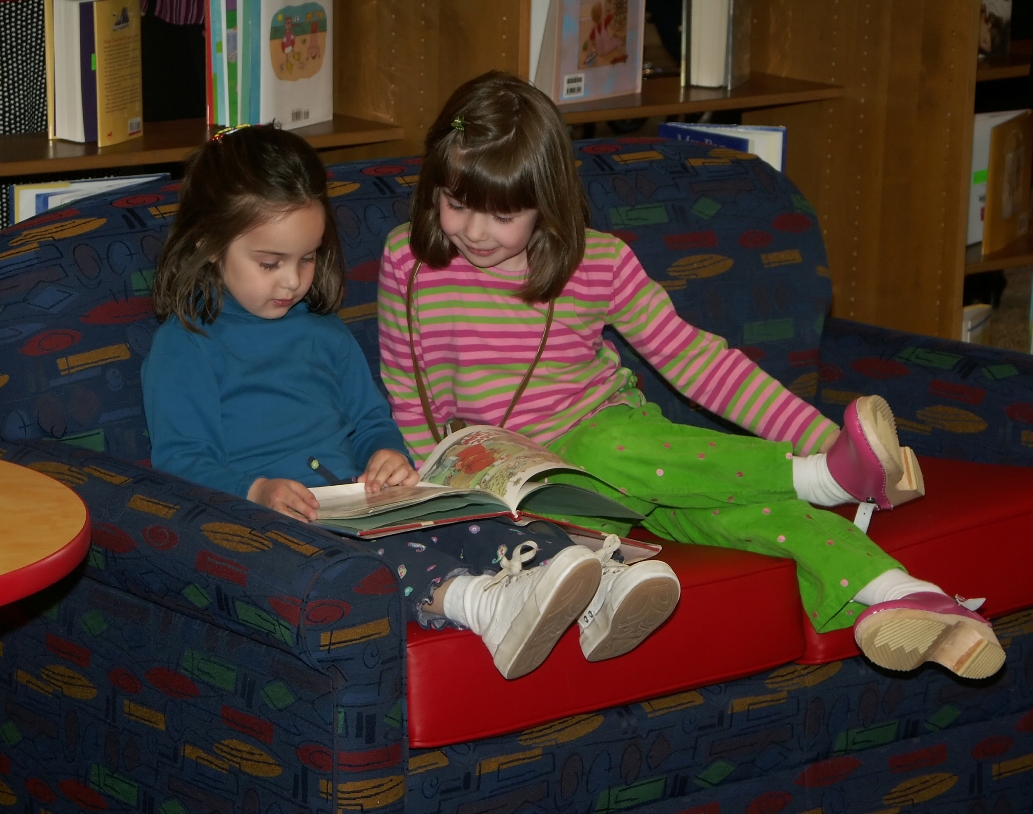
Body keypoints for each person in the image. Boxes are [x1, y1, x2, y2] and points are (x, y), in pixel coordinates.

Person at [377, 70, 1007, 681]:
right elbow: (407, 387)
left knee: (664, 472)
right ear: (434, 188)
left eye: (503, 215)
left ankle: (882, 557)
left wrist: (820, 436)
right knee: (718, 504)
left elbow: (699, 362)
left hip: (614, 442)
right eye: (456, 204)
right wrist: (437, 484)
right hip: (529, 490)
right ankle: (863, 536)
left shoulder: (598, 263)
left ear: (548, 202)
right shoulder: (407, 261)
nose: (474, 232)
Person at [141, 122, 679, 682]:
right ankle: (480, 604)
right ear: (208, 244)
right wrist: (257, 491)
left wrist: (385, 452)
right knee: (374, 563)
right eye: (270, 263)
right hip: (275, 529)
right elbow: (180, 461)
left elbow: (369, 418)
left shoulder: (323, 335)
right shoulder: (186, 347)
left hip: (359, 506)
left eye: (308, 258)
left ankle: (596, 585)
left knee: (476, 517)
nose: (293, 282)